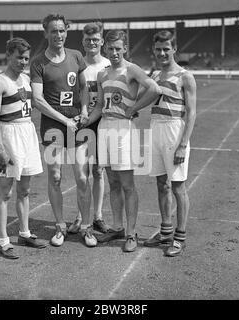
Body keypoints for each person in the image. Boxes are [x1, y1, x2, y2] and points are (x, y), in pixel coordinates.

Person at [86, 30, 161, 252]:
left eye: (118, 48)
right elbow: (99, 106)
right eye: (111, 48)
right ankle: (117, 227)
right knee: (113, 182)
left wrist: (133, 108)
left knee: (127, 184)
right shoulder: (102, 74)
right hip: (105, 127)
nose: (115, 52)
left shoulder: (132, 69)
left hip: (123, 129)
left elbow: (154, 89)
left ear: (125, 48)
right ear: (105, 49)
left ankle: (131, 233)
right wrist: (84, 122)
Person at [30, 14, 96, 248]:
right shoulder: (38, 62)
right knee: (56, 176)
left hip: (77, 123)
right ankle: (59, 226)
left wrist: (86, 110)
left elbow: (83, 87)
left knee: (81, 176)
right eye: (53, 31)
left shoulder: (76, 56)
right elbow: (37, 100)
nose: (58, 35)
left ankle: (86, 227)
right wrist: (63, 120)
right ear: (45, 33)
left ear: (67, 31)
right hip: (53, 126)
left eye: (62, 30)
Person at [0, 38, 48, 259]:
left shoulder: (26, 79)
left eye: (25, 58)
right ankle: (3, 241)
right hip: (9, 136)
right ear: (8, 56)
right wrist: (1, 150)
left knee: (25, 190)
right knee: (6, 191)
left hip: (27, 133)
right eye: (19, 57)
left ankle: (24, 233)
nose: (23, 61)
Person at [141, 30, 197, 257]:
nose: (162, 53)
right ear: (153, 50)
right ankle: (165, 231)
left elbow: (192, 113)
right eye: (158, 49)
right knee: (160, 183)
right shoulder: (154, 76)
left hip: (175, 131)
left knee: (178, 187)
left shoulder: (185, 76)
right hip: (155, 128)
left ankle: (180, 236)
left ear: (174, 49)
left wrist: (183, 144)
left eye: (166, 49)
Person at [67, 21, 111, 235]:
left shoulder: (109, 65)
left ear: (102, 41)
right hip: (82, 122)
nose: (92, 43)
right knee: (81, 174)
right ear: (82, 42)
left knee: (98, 171)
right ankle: (79, 216)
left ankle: (98, 217)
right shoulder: (76, 64)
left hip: (102, 124)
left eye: (95, 39)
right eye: (87, 40)